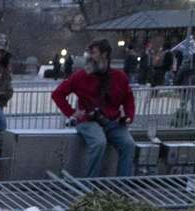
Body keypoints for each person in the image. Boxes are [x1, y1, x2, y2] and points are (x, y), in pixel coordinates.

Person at [51, 39, 136, 178]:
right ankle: (90, 184)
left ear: (105, 54)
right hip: (87, 120)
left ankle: (122, 184)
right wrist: (72, 113)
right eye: (89, 53)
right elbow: (57, 94)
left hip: (112, 121)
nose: (89, 57)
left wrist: (128, 116)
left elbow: (128, 98)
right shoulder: (81, 75)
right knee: (99, 142)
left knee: (128, 145)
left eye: (93, 53)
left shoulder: (119, 77)